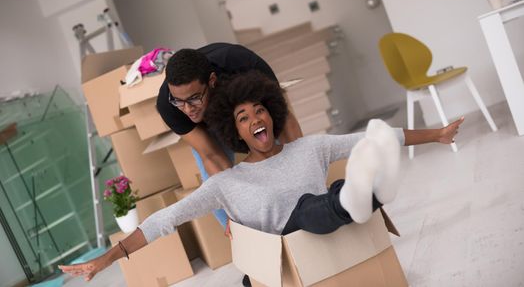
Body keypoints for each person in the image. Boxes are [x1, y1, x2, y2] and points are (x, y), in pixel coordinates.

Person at [60, 71, 463, 282]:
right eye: (243, 117)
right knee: (306, 213)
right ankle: (357, 195)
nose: (255, 119)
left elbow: (377, 138)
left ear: (272, 114)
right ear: (236, 132)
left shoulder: (310, 148)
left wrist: (438, 135)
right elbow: (164, 221)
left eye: (259, 111)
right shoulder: (225, 184)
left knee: (323, 201)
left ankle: (362, 194)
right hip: (287, 254)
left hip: (329, 225)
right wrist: (106, 259)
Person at [156, 43, 303, 228]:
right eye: (179, 101)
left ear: (211, 81)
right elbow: (211, 156)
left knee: (291, 167)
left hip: (250, 106)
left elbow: (285, 123)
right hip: (209, 126)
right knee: (216, 189)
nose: (187, 109)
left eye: (194, 98)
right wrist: (237, 216)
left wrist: (303, 176)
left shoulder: (241, 64)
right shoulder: (168, 105)